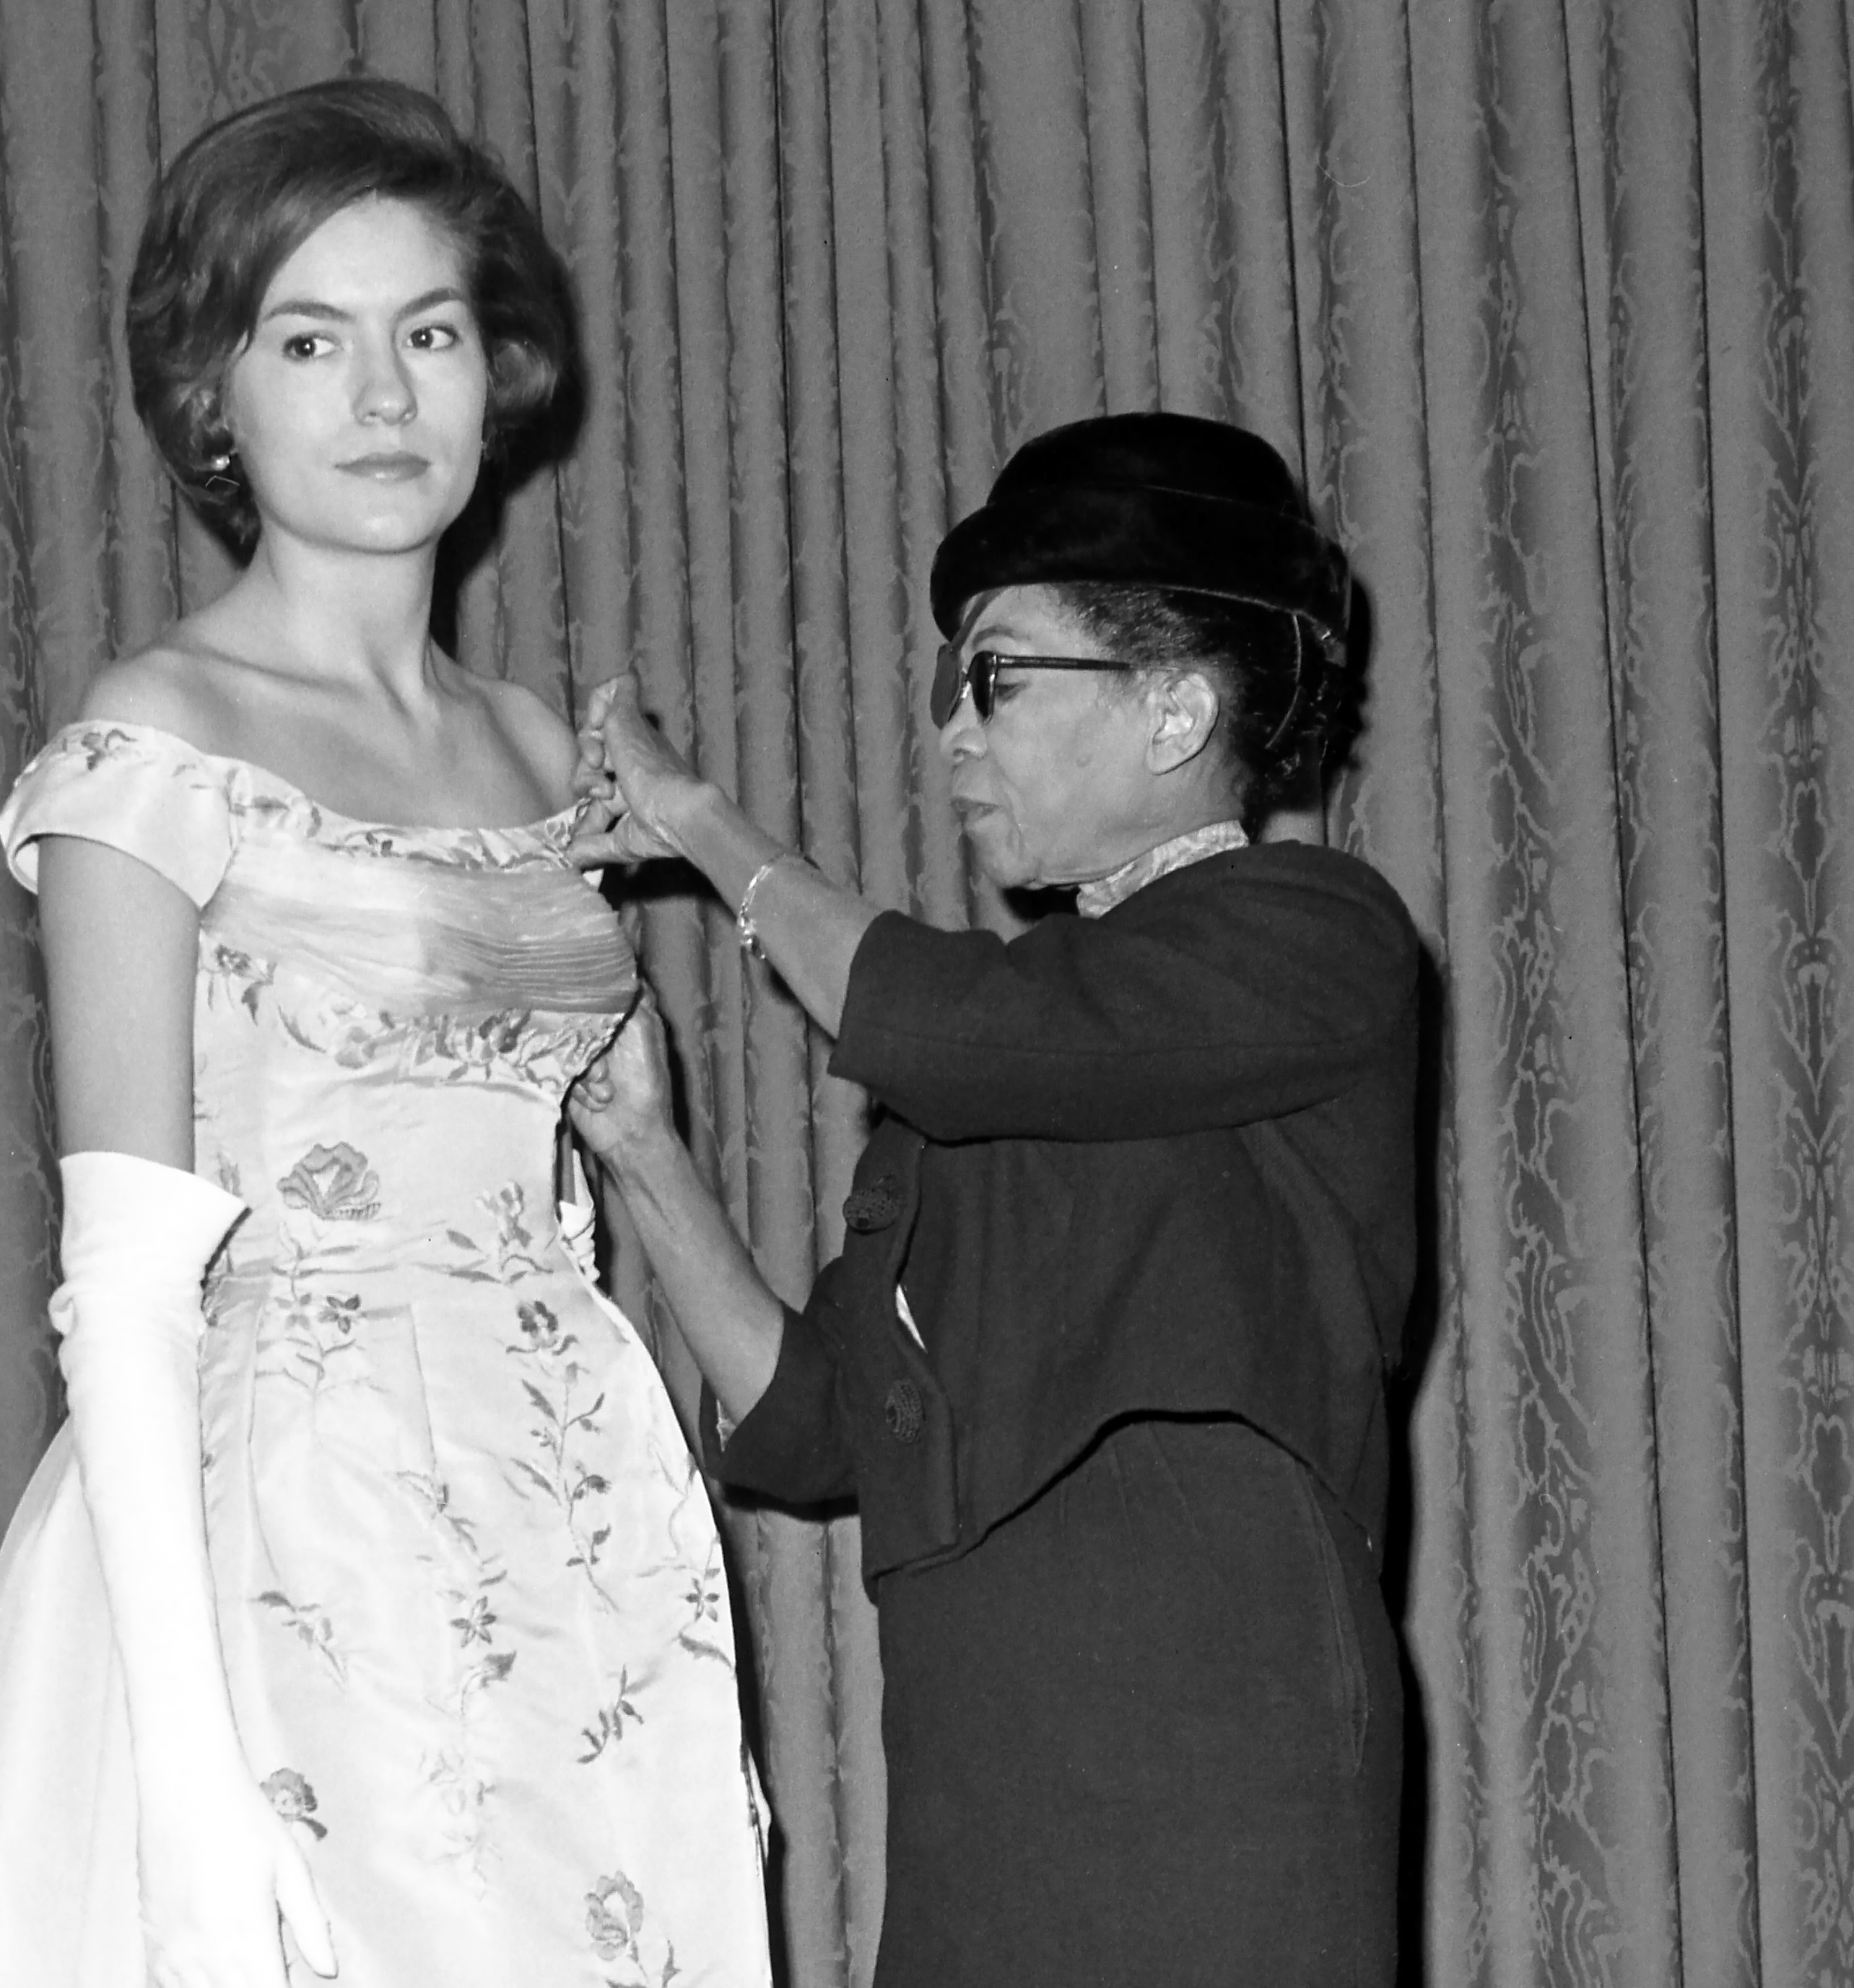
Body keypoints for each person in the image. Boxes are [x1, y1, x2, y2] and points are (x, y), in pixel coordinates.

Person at [0, 79, 769, 1988]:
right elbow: (120, 1289)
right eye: (311, 338)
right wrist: (193, 1798)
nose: (382, 395)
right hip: (295, 1530)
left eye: (426, 335)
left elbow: (557, 1190)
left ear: (492, 374)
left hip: (574, 1508)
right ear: (215, 395)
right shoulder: (158, 736)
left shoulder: (537, 749)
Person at [566, 411, 1419, 1987]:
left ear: (1173, 709)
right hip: (976, 1747)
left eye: (1001, 679)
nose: (952, 729)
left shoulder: (1313, 930)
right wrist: (640, 1145)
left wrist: (699, 822)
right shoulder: (995, 1038)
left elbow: (954, 1030)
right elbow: (816, 1419)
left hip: (1208, 1718)